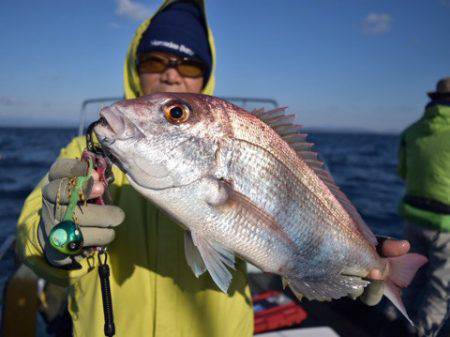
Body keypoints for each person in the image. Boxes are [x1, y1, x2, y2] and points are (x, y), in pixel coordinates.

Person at [16, 1, 411, 336]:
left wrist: (355, 259)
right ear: (135, 67)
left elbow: (304, 214)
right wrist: (53, 241)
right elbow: (29, 242)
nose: (170, 73)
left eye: (188, 67)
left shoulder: (244, 140)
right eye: (155, 60)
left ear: (206, 77)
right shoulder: (85, 154)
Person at [398, 77, 450, 337]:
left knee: (410, 278)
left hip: (413, 218)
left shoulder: (411, 131)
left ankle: (394, 320)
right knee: (440, 288)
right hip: (446, 225)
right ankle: (423, 333)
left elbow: (402, 172)